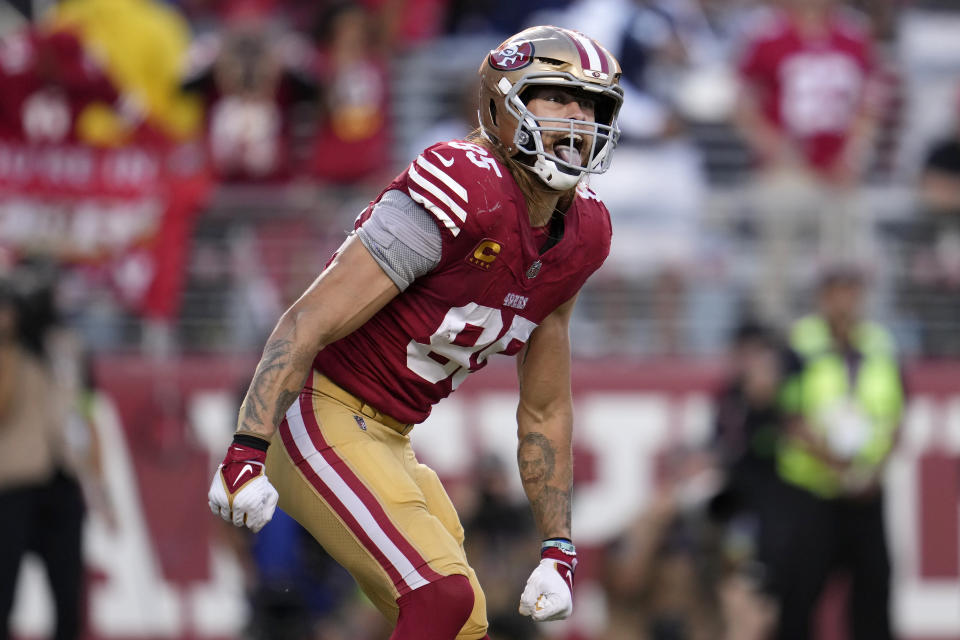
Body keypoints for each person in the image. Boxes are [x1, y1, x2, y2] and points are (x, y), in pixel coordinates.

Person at [207, 25, 624, 640]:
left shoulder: (584, 234)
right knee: (443, 597)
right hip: (319, 414)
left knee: (467, 624)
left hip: (391, 437)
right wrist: (247, 446)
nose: (579, 117)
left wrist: (557, 546)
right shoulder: (465, 186)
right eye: (558, 97)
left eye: (591, 105)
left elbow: (544, 409)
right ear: (502, 103)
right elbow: (311, 317)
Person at [765, 265, 904, 640]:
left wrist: (872, 468)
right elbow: (785, 414)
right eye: (836, 293)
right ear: (822, 298)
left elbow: (897, 415)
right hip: (813, 494)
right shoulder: (798, 344)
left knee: (874, 595)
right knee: (799, 597)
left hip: (867, 493)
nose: (845, 303)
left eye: (852, 293)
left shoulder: (881, 344)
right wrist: (832, 461)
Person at [734, 0, 881, 326]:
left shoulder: (854, 35)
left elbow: (869, 103)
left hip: (839, 173)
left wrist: (852, 154)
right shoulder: (767, 35)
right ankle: (773, 327)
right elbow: (744, 105)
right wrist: (780, 151)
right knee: (778, 237)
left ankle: (846, 327)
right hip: (786, 170)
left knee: (854, 244)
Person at [0, 272, 85, 640]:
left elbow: (84, 410)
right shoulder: (8, 352)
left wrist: (96, 480)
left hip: (62, 477)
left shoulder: (66, 346)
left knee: (69, 596)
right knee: (3, 591)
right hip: (13, 480)